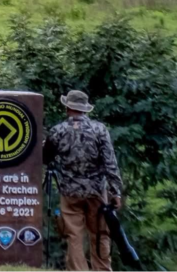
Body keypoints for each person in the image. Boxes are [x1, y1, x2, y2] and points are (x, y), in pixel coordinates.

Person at [44, 90, 124, 272]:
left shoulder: (58, 131)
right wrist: (116, 192)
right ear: (85, 109)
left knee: (74, 236)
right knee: (100, 234)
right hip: (96, 192)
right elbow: (110, 163)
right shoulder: (100, 130)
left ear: (67, 107)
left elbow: (45, 157)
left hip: (70, 193)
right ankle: (102, 269)